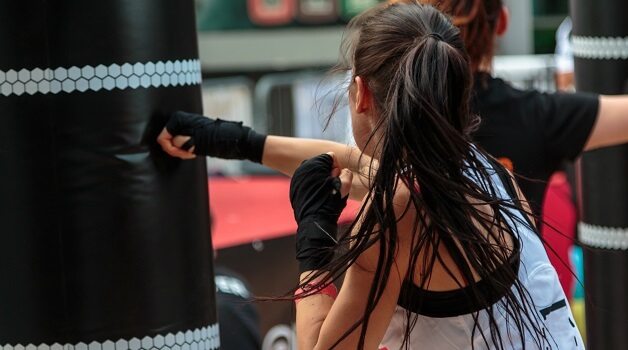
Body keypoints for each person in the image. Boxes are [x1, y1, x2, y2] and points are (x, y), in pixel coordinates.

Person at [159, 2, 585, 348]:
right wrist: (236, 141)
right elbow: (347, 162)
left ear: (361, 92)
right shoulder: (479, 167)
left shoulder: (396, 213)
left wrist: (314, 245)